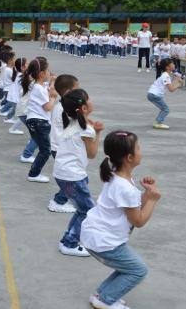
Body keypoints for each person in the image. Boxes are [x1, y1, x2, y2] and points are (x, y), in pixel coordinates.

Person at [81, 131, 160, 309]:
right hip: (105, 242)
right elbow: (138, 220)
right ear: (129, 157)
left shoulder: (116, 176)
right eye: (138, 148)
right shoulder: (125, 187)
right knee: (138, 270)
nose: (141, 150)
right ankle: (105, 300)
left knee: (128, 266)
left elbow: (131, 206)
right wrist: (153, 200)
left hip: (95, 235)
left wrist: (146, 194)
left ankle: (100, 295)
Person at [53, 89, 103, 257]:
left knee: (82, 209)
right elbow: (92, 154)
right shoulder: (86, 130)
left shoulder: (73, 124)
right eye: (88, 99)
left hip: (63, 173)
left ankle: (68, 239)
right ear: (83, 108)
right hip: (73, 176)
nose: (92, 101)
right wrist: (99, 133)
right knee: (88, 211)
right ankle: (69, 243)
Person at [47, 74, 80, 214]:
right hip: (61, 148)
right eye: (76, 89)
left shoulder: (62, 105)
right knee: (71, 178)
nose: (79, 92)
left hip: (60, 146)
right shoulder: (63, 109)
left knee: (71, 176)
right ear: (68, 92)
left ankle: (61, 199)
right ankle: (58, 202)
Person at [23, 57, 59, 183]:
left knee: (43, 148)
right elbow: (48, 106)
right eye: (48, 70)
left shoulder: (37, 85)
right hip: (40, 122)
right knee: (45, 150)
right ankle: (33, 174)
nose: (49, 72)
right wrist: (54, 98)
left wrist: (53, 81)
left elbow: (48, 89)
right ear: (42, 73)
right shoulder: (38, 88)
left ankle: (33, 171)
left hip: (34, 120)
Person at [147, 58, 182, 130]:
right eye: (172, 64)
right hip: (154, 95)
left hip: (152, 94)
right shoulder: (166, 76)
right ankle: (158, 123)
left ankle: (158, 122)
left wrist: (176, 80)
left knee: (164, 108)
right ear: (167, 67)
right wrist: (179, 84)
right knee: (165, 109)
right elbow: (171, 89)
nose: (174, 65)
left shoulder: (165, 74)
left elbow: (170, 85)